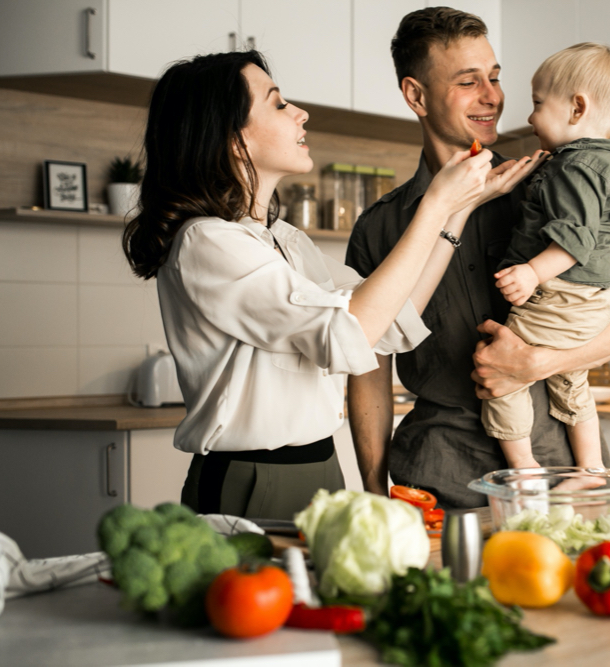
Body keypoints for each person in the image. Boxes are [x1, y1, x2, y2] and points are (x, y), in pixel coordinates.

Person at [121, 50, 535, 520]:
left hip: (321, 468)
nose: (301, 113)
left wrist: (459, 209)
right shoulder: (207, 241)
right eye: (278, 104)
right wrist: (435, 204)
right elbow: (350, 333)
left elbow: (390, 319)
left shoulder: (285, 240)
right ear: (234, 140)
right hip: (251, 479)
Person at [346, 7, 610, 509]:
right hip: (436, 476)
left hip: (561, 472)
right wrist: (374, 494)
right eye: (469, 81)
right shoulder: (379, 227)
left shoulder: (551, 182)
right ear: (415, 95)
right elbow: (368, 375)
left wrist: (535, 363)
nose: (492, 97)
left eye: (494, 77)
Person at [486, 43, 610, 472]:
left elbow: (574, 239)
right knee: (573, 379)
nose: (531, 117)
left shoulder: (572, 167)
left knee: (503, 373)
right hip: (596, 299)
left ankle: (525, 470)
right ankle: (590, 467)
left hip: (558, 296)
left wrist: (533, 272)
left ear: (577, 108)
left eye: (537, 103)